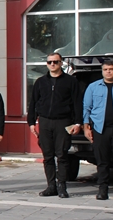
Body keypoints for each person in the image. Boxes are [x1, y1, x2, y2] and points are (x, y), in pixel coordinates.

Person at [27, 53, 82, 198]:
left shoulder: (70, 81)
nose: (52, 64)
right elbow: (33, 102)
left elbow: (77, 103)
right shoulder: (40, 82)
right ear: (46, 64)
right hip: (45, 121)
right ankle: (51, 186)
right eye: (50, 62)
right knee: (48, 156)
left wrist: (78, 122)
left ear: (61, 63)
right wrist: (31, 122)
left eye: (55, 62)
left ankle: (62, 186)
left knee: (62, 155)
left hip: (63, 122)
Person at [83, 59, 113, 200]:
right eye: (105, 69)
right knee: (102, 160)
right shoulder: (93, 87)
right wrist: (86, 127)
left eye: (111, 69)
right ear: (102, 71)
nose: (108, 72)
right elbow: (86, 108)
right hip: (100, 129)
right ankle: (102, 189)